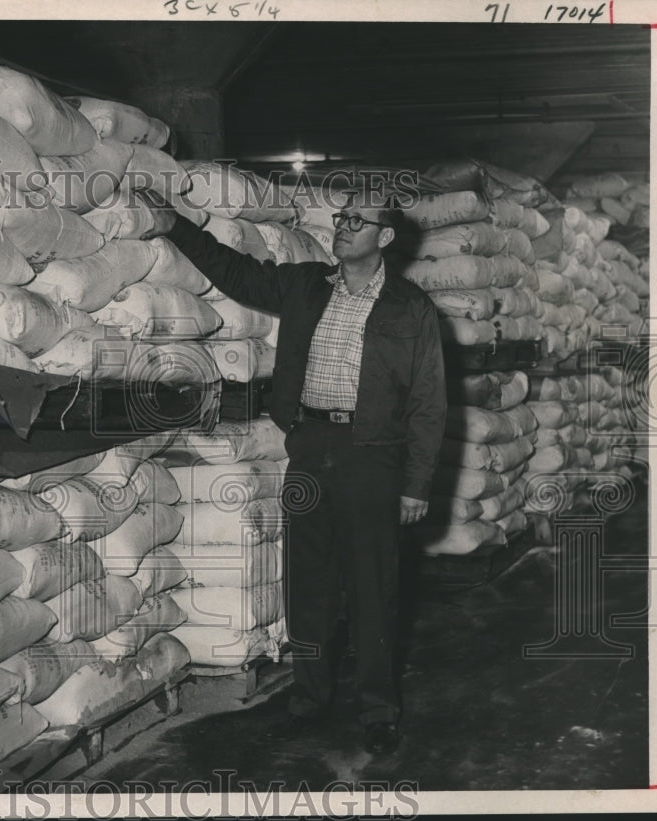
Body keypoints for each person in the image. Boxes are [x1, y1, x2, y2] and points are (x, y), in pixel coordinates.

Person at [143, 186, 446, 755]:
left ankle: (379, 710)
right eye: (342, 216)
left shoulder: (411, 308)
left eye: (360, 218)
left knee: (373, 588)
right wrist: (175, 226)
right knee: (308, 586)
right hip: (311, 448)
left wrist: (416, 484)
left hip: (373, 457)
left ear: (384, 237)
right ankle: (309, 702)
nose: (345, 224)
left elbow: (430, 402)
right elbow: (237, 273)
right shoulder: (307, 284)